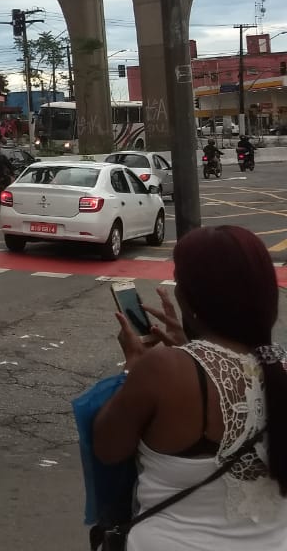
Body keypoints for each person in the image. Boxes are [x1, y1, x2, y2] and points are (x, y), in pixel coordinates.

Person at [92, 225, 287, 549]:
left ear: (191, 298)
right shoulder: (279, 366)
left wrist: (133, 368)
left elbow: (108, 449)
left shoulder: (164, 370)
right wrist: (193, 347)